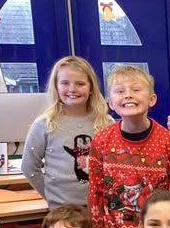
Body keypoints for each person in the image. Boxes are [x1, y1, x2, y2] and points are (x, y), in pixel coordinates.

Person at [88, 65, 170, 228]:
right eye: (120, 91)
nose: (128, 95)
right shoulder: (101, 141)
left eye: (136, 89)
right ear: (110, 103)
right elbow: (96, 194)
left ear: (152, 99)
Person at [22, 56, 113, 208]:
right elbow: (29, 167)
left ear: (91, 88)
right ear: (56, 86)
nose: (72, 89)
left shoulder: (106, 123)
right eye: (65, 83)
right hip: (61, 209)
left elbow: (115, 166)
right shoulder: (44, 124)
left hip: (100, 208)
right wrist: (50, 196)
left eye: (80, 84)